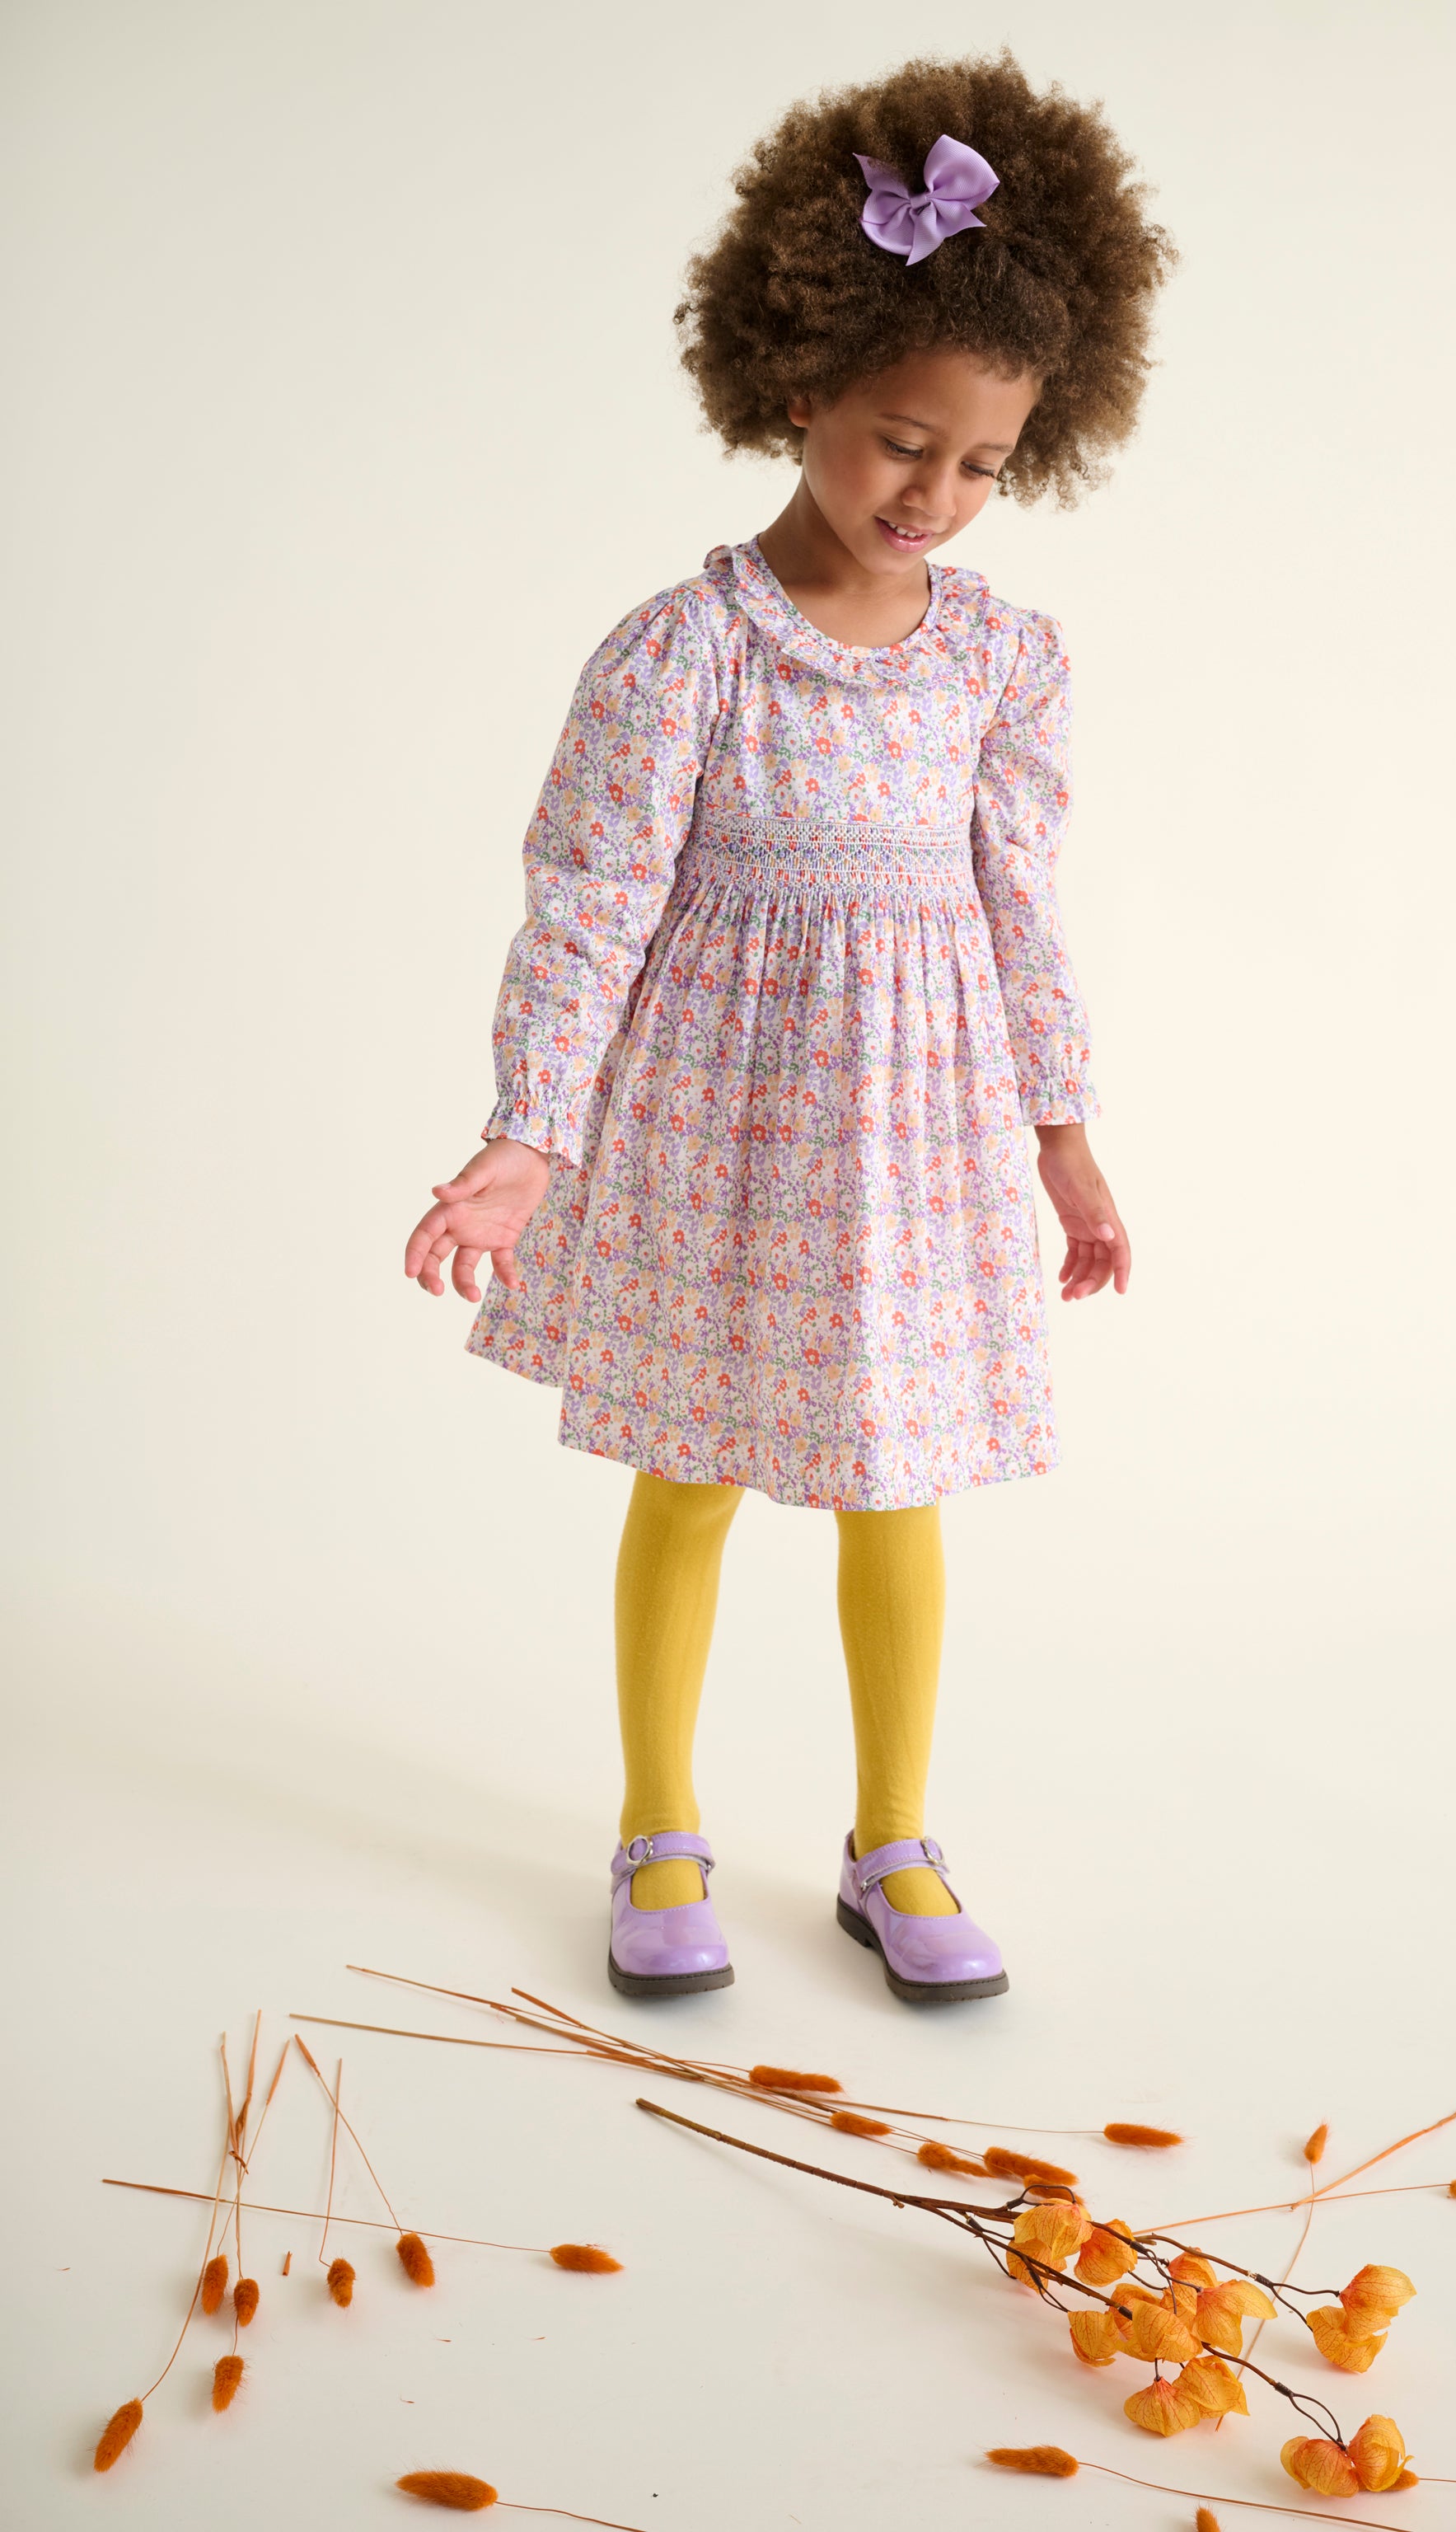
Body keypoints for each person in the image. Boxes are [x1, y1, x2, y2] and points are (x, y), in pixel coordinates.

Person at [404, 52, 1173, 2004]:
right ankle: (658, 1819)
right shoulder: (683, 652)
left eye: (985, 461)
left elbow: (1020, 903)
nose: (937, 493)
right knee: (691, 1471)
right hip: (711, 1123)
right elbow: (586, 903)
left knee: (894, 1480)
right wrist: (522, 1138)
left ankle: (890, 1837)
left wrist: (1066, 1138)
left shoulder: (1007, 658)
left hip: (910, 1134)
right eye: (905, 440)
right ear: (803, 382)